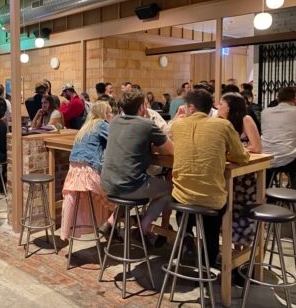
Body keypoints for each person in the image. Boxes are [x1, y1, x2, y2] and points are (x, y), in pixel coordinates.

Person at [170, 89, 250, 266]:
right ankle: (209, 261)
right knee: (212, 220)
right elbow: (242, 157)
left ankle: (186, 237)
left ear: (191, 107)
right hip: (211, 200)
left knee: (183, 203)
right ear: (209, 108)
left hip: (180, 198)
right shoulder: (223, 126)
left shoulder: (177, 125)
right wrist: (222, 154)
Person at [101, 89, 174, 244]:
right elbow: (172, 150)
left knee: (128, 179)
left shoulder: (113, 122)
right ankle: (143, 227)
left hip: (108, 183)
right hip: (129, 186)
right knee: (170, 189)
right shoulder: (147, 124)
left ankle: (111, 221)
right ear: (142, 107)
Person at [60, 102, 115, 240]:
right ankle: (112, 225)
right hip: (89, 173)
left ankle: (110, 227)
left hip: (74, 172)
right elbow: (117, 141)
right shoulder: (101, 124)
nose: (112, 115)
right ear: (103, 114)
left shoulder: (85, 127)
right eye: (110, 112)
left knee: (111, 191)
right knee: (117, 195)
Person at [217, 92, 261, 247]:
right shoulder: (221, 122)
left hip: (243, 175)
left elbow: (256, 147)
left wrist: (238, 150)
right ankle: (229, 249)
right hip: (225, 173)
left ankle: (241, 251)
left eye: (221, 104)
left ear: (230, 107)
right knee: (226, 211)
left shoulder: (246, 119)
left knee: (240, 211)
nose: (218, 106)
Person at [261, 86, 296, 188]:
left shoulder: (265, 112)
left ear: (278, 99)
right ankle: (292, 193)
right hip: (288, 160)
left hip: (265, 158)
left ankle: (265, 193)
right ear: (294, 99)